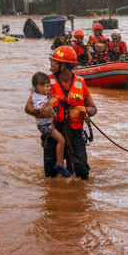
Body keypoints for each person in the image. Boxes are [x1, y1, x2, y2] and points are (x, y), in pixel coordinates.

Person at [26, 45, 97, 179]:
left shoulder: (80, 83)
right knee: (50, 176)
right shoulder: (45, 82)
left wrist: (84, 111)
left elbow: (93, 108)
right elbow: (28, 108)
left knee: (81, 174)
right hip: (54, 133)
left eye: (55, 62)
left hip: (75, 135)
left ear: (64, 65)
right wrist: (43, 112)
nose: (52, 65)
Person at [29, 71, 67, 161]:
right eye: (46, 86)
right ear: (39, 86)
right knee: (61, 140)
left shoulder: (38, 95)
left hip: (48, 123)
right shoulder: (39, 97)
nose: (49, 88)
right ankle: (60, 163)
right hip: (48, 123)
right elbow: (41, 111)